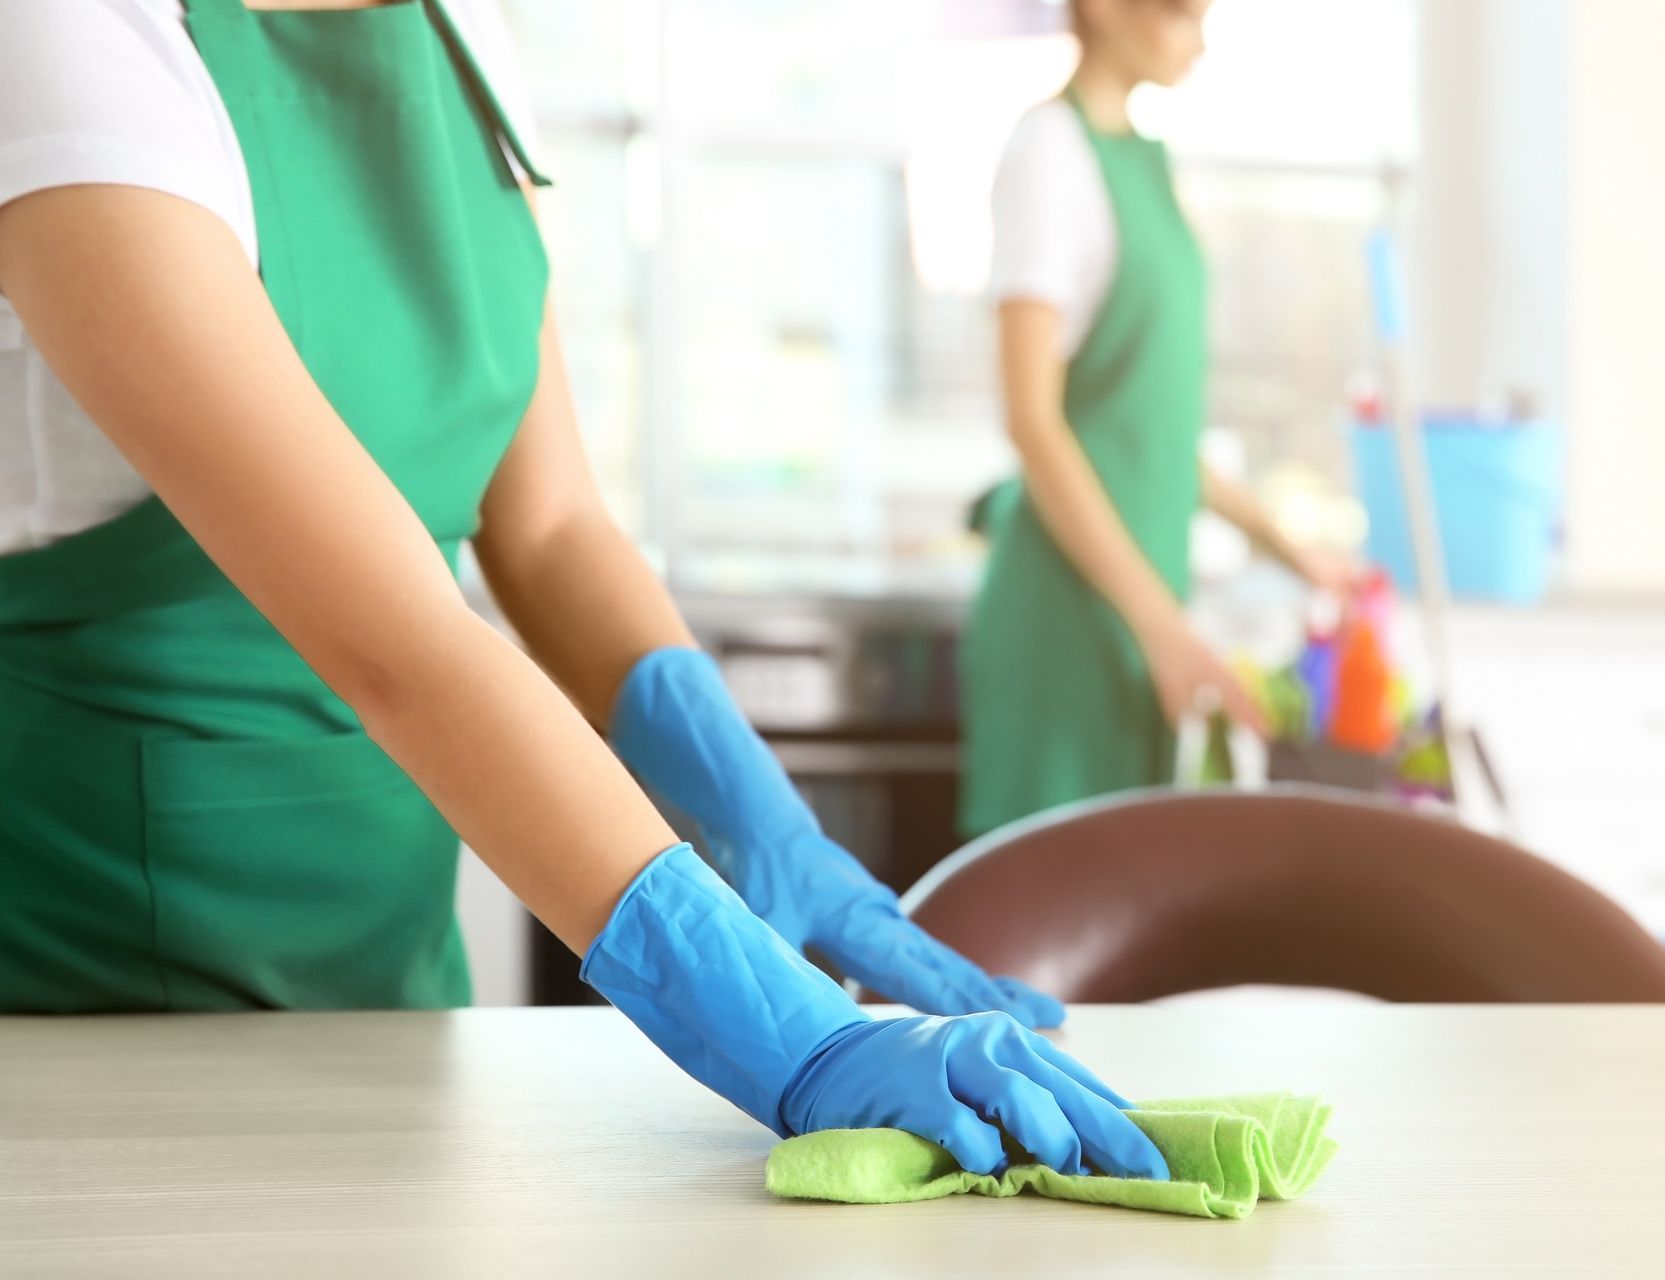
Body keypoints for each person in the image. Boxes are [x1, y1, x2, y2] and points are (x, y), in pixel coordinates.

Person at [0, 0, 1167, 1182]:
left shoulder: (462, 35)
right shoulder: (68, 33)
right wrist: (789, 1031)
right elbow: (394, 640)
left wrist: (756, 812)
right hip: (93, 1004)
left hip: (385, 996)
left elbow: (550, 524)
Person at [960, 0, 1353, 837]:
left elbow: (1155, 432)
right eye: (1182, 12)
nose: (1201, 39)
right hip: (1067, 618)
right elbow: (1033, 421)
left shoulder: (1142, 160)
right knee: (1042, 919)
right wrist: (1162, 628)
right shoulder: (1049, 156)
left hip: (1138, 615)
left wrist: (1287, 548)